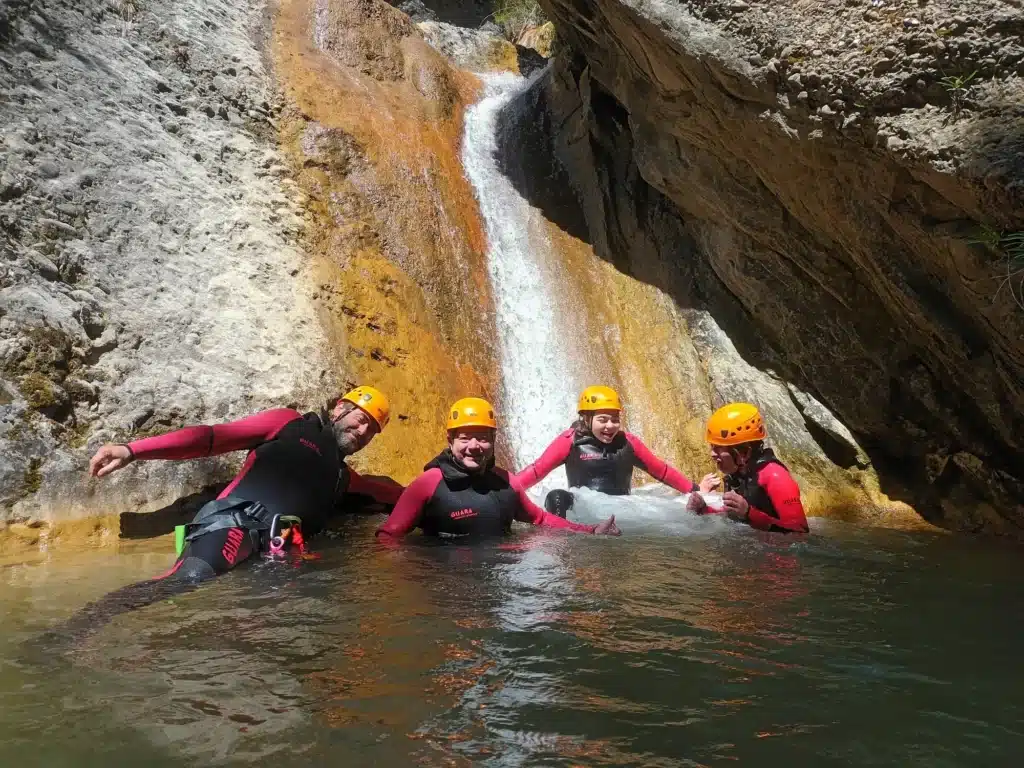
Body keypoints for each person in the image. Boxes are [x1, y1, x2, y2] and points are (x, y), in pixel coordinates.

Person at [377, 397, 621, 540]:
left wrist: (590, 530)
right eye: (464, 438)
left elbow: (540, 518)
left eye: (482, 438)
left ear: (493, 441)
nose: (474, 446)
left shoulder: (506, 482)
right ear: (450, 441)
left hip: (498, 584)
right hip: (445, 588)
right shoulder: (429, 483)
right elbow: (389, 537)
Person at [512, 385, 709, 516]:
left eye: (615, 419)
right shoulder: (570, 440)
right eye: (603, 419)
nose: (610, 426)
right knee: (555, 497)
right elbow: (537, 470)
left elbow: (661, 470)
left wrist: (696, 490)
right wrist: (503, 491)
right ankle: (561, 543)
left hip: (622, 510)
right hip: (583, 508)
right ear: (587, 419)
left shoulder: (628, 443)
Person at [687, 402, 809, 533]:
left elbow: (799, 532)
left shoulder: (776, 476)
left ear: (744, 453)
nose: (712, 454)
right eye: (712, 447)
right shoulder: (738, 473)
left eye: (718, 448)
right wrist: (704, 510)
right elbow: (734, 517)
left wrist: (749, 513)